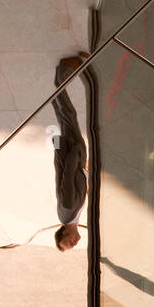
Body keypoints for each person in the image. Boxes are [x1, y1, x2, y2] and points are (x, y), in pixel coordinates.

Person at [52, 54, 89, 252]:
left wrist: (76, 151)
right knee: (65, 117)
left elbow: (66, 176)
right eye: (72, 245)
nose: (74, 243)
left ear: (64, 232)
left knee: (69, 115)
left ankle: (62, 73)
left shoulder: (67, 211)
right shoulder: (70, 215)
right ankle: (54, 95)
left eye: (69, 243)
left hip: (71, 151)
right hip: (68, 150)